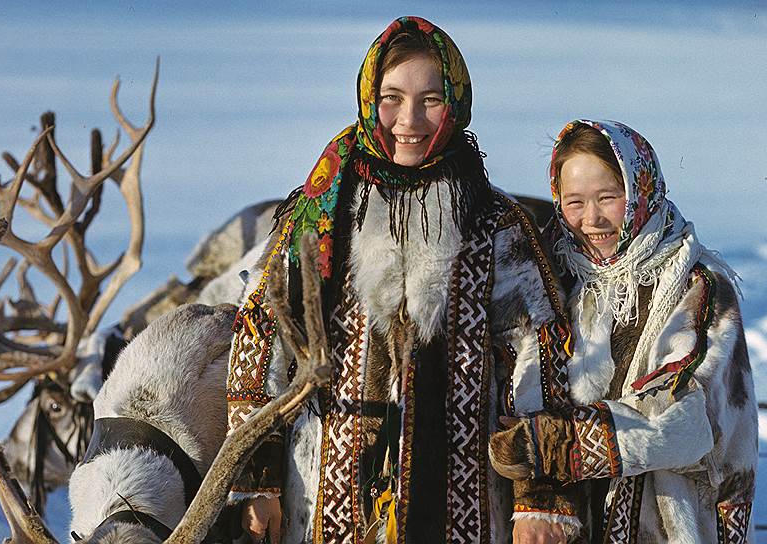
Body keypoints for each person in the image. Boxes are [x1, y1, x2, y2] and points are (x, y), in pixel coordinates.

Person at [225, 16, 579, 544]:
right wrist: (257, 479)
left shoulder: (497, 224)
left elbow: (541, 360)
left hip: (464, 502)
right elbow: (261, 337)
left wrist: (540, 498)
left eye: (430, 100)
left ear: (455, 103)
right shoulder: (320, 212)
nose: (408, 120)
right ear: (370, 99)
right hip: (325, 501)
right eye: (392, 97)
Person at [489, 119, 758, 543]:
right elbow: (526, 387)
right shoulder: (557, 276)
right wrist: (541, 495)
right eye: (575, 201)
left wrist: (560, 445)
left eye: (608, 197)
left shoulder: (696, 287)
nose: (591, 218)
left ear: (640, 191)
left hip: (669, 520)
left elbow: (685, 421)